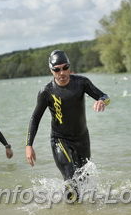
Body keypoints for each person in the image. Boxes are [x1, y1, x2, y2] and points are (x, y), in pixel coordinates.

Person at [26, 50, 110, 200]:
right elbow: (35, 118)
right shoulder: (46, 92)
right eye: (57, 69)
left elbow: (105, 96)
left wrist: (101, 101)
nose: (62, 72)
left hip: (82, 139)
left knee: (84, 179)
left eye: (65, 67)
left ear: (70, 67)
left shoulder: (81, 83)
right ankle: (74, 214)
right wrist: (29, 145)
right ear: (51, 70)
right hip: (60, 139)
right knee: (70, 179)